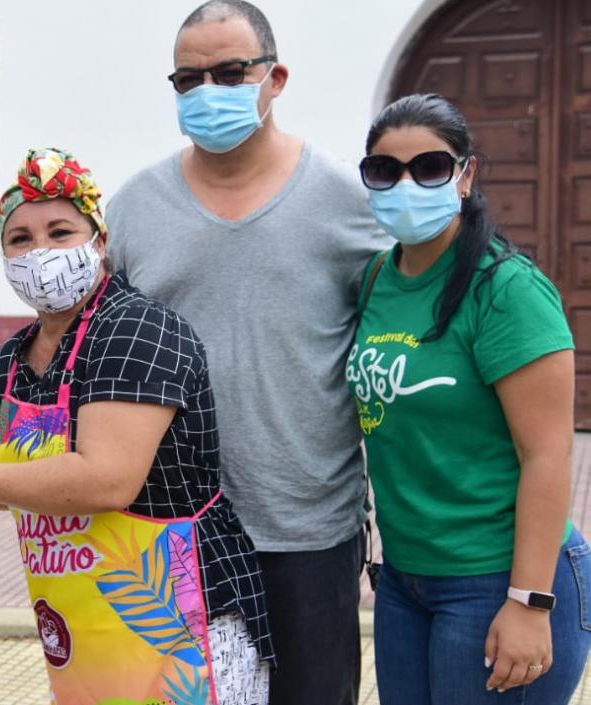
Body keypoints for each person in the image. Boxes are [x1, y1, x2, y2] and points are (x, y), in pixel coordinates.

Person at [0, 148, 273, 705]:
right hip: (80, 621)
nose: (40, 253)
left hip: (182, 618)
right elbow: (0, 476)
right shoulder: (14, 355)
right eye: (20, 240)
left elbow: (106, 480)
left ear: (99, 241)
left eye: (60, 232)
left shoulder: (137, 329)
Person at [105, 3, 390, 702]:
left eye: (232, 71)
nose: (209, 90)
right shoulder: (133, 210)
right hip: (170, 534)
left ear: (276, 77)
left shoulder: (348, 203)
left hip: (308, 531)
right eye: (188, 78)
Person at [351, 93, 591, 704]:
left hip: (497, 580)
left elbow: (547, 457)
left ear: (466, 174)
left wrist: (530, 602)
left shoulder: (506, 290)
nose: (405, 184)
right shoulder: (377, 279)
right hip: (406, 582)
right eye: (384, 170)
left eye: (429, 167)